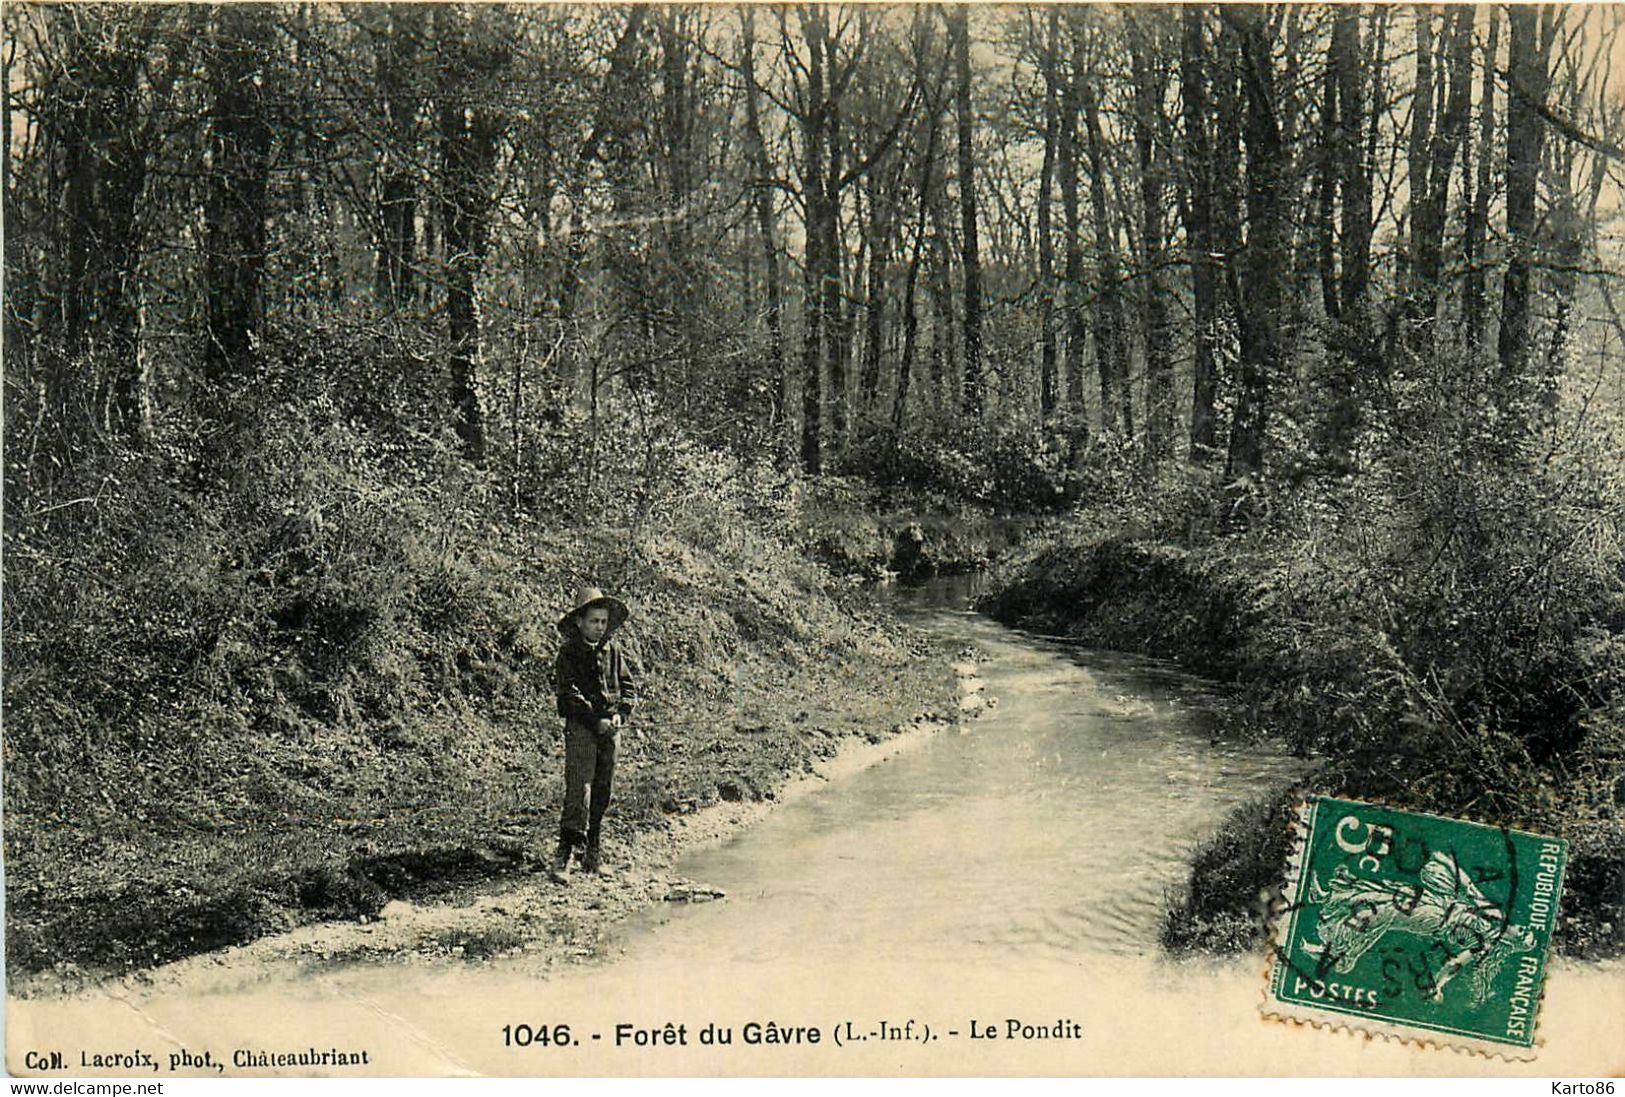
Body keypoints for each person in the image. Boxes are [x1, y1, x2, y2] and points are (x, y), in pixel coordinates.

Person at [550, 584, 638, 881]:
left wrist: (619, 715)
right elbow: (569, 695)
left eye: (603, 622)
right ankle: (564, 857)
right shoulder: (569, 654)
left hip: (609, 731)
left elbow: (627, 687)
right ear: (579, 622)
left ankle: (593, 854)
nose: (599, 627)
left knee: (603, 789)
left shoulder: (613, 651)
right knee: (580, 789)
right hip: (582, 728)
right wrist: (594, 719)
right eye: (593, 621)